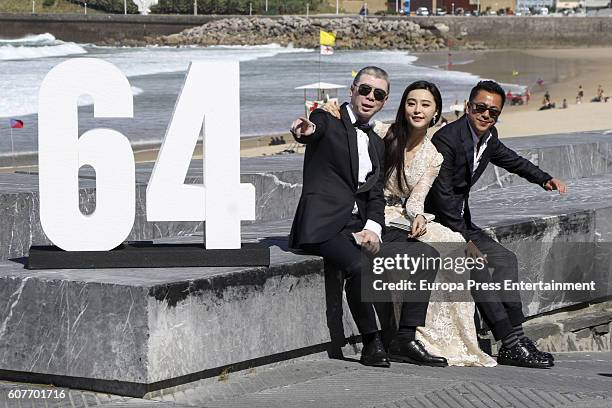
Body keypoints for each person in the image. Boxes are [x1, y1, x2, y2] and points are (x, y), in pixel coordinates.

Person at [323, 81, 494, 367]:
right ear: (403, 106)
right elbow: (353, 124)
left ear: (435, 111)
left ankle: (437, 336)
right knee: (427, 253)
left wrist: (417, 216)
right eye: (411, 103)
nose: (417, 109)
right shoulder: (382, 133)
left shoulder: (432, 156)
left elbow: (416, 200)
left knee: (453, 244)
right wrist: (332, 111)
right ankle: (412, 334)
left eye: (425, 104)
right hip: (373, 213)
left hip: (402, 216)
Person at [425, 80, 567, 369]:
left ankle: (516, 338)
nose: (486, 115)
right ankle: (509, 341)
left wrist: (543, 178)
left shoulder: (488, 137)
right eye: (480, 108)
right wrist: (465, 241)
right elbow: (441, 198)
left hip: (460, 220)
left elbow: (511, 160)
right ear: (468, 108)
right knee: (476, 265)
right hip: (436, 222)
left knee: (505, 259)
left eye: (493, 112)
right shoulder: (447, 140)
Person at [288, 66, 391, 367]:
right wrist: (303, 130)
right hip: (322, 225)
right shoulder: (327, 118)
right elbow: (311, 129)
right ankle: (372, 343)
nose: (370, 98)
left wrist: (373, 228)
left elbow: (376, 193)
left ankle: (401, 338)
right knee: (359, 267)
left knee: (407, 255)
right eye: (365, 90)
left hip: (356, 224)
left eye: (379, 94)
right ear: (352, 90)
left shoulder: (376, 142)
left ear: (384, 101)